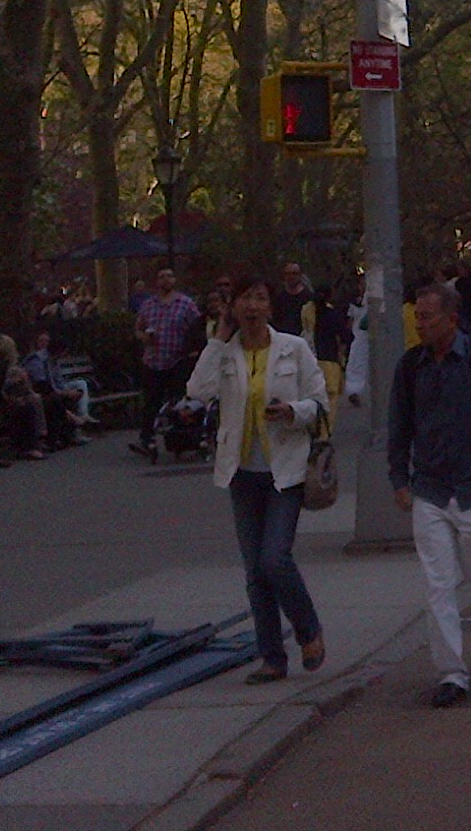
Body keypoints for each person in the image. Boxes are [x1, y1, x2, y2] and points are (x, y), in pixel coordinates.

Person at [187, 268, 329, 683]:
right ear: (233, 307)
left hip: (284, 471)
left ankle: (308, 630)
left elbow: (318, 402)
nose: (252, 307)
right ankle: (272, 658)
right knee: (255, 572)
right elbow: (197, 391)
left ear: (271, 305)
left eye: (260, 299)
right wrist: (217, 339)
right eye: (245, 299)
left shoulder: (294, 349)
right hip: (241, 472)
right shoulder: (226, 353)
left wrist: (293, 412)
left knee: (274, 558)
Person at [388, 281, 471, 708]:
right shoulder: (412, 367)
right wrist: (399, 478)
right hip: (430, 490)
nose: (420, 324)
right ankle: (451, 674)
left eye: (427, 317)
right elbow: (399, 424)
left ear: (451, 319)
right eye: (417, 317)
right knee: (438, 585)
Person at [133, 266, 202, 453]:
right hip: (153, 360)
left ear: (174, 280)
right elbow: (138, 328)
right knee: (151, 401)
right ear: (156, 282)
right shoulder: (148, 305)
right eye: (162, 277)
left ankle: (179, 439)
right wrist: (144, 337)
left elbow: (197, 328)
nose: (165, 280)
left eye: (169, 276)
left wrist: (192, 350)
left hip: (176, 360)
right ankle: (146, 439)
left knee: (177, 401)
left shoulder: (186, 304)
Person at [270, 263, 313, 339]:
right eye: (288, 274)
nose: (291, 277)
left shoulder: (309, 298)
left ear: (300, 275)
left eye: (294, 273)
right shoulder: (278, 298)